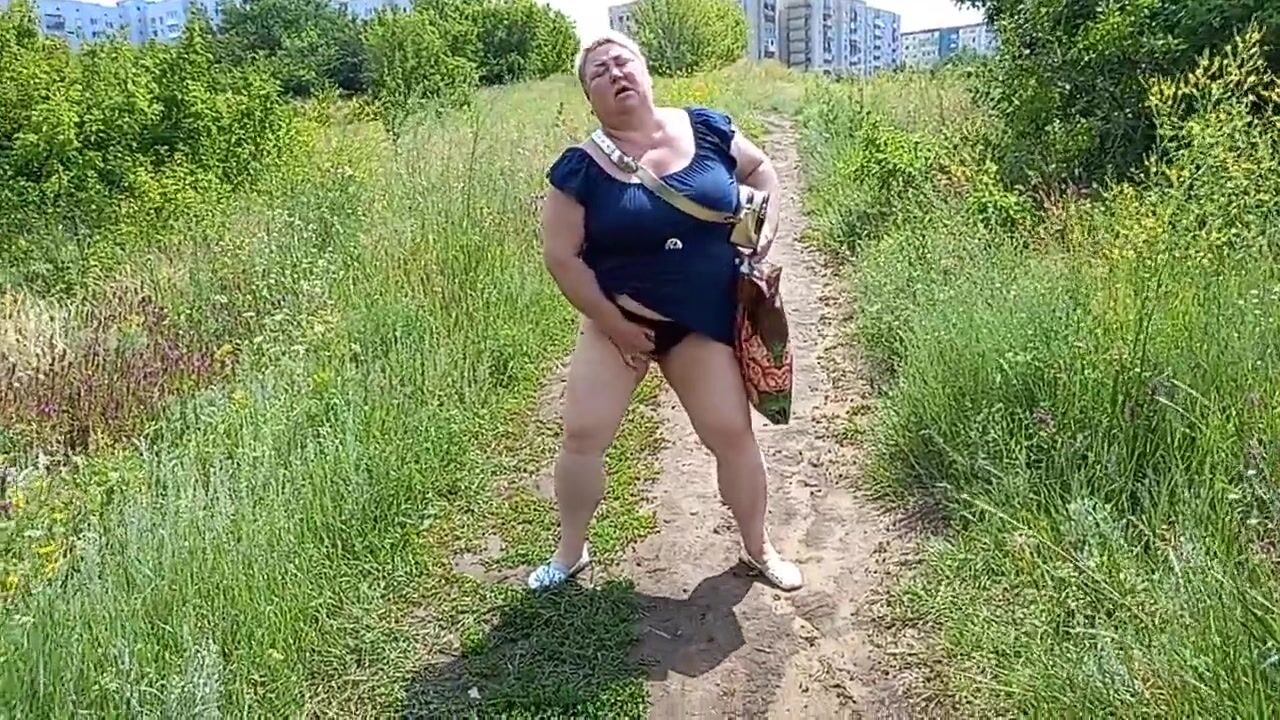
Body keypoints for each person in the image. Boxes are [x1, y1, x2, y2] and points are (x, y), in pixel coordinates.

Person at [528, 30, 803, 593]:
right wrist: (616, 326)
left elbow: (761, 173)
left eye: (622, 62)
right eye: (599, 73)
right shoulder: (580, 168)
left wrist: (764, 227)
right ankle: (570, 553)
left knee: (732, 434)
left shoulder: (707, 128)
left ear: (646, 71)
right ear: (589, 98)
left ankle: (758, 547)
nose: (614, 74)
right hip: (618, 323)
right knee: (582, 437)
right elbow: (561, 257)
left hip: (699, 324)